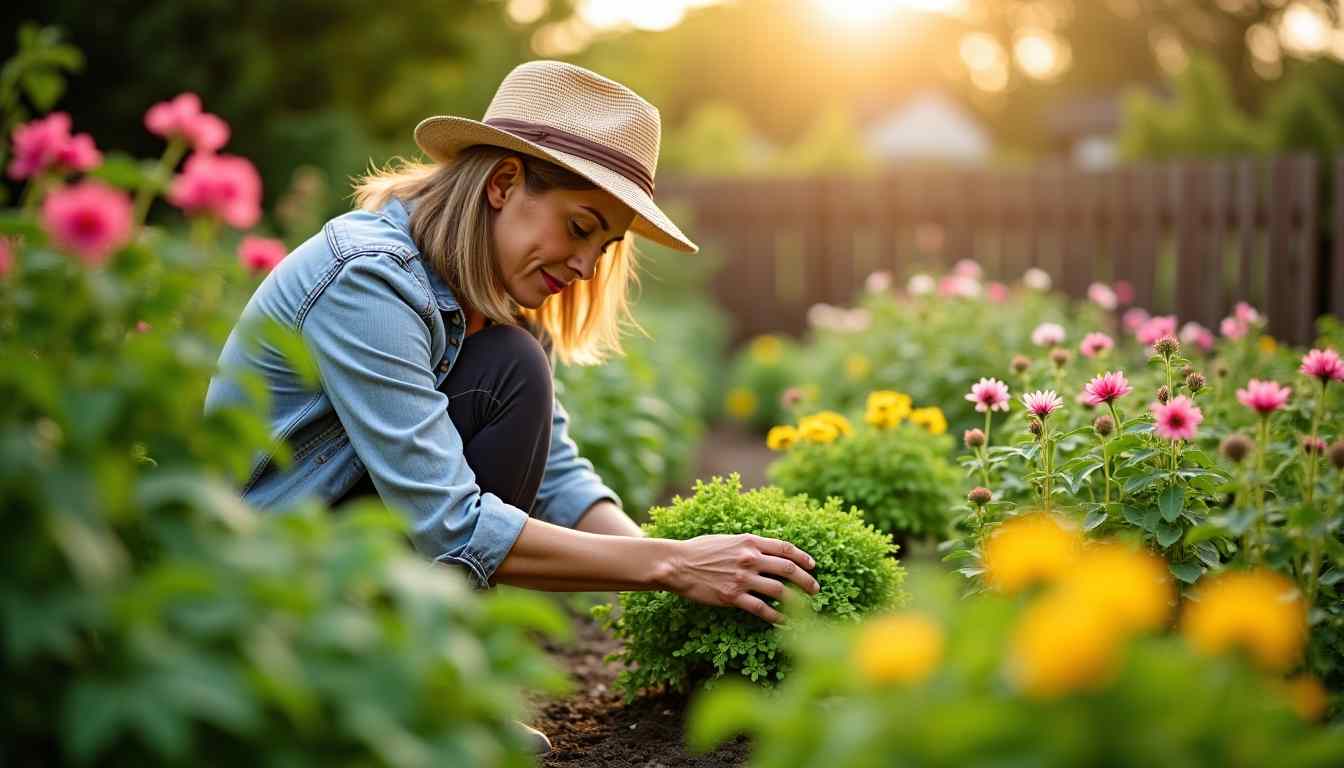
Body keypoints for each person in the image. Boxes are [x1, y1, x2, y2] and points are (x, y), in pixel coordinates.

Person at [204, 61, 819, 753]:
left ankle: (420, 692)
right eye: (579, 226)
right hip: (261, 600)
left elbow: (556, 474)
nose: (585, 267)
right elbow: (450, 523)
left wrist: (672, 578)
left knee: (514, 366)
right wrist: (671, 564)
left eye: (604, 246)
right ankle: (403, 705)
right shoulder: (369, 281)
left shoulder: (498, 299)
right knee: (515, 369)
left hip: (337, 565)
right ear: (502, 183)